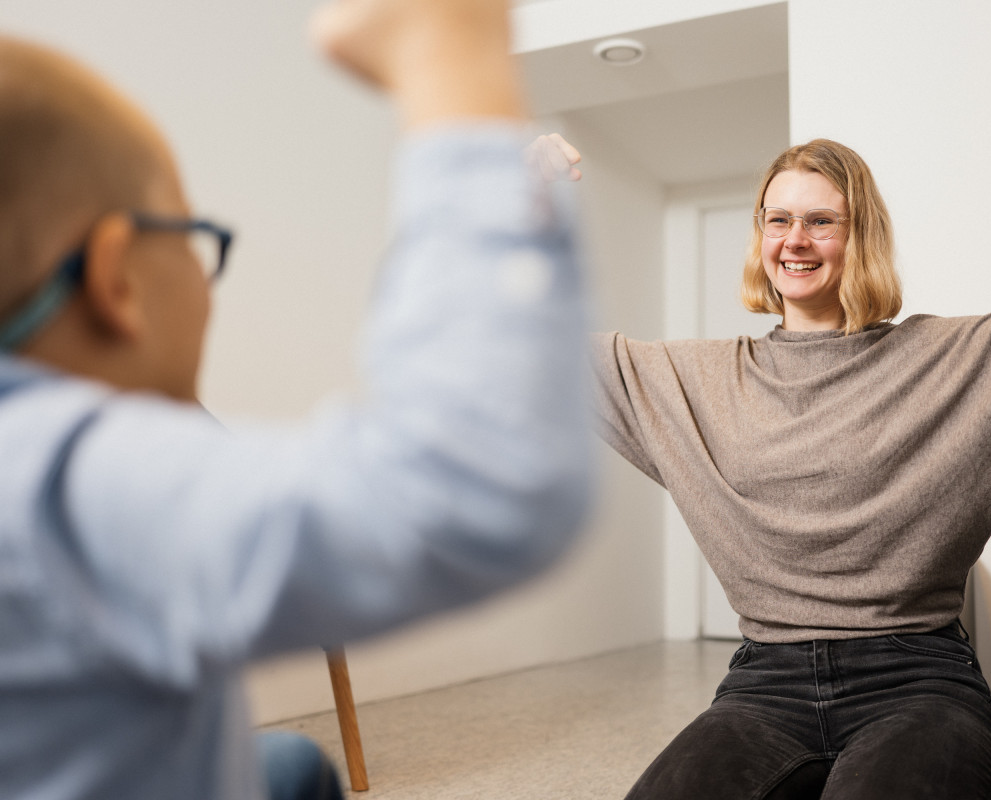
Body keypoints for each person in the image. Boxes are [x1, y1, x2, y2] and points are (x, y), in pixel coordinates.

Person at [0, 1, 591, 798]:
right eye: (195, 238)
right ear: (115, 279)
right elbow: (474, 476)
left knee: (291, 768)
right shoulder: (61, 483)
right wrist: (455, 58)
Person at [585, 47, 991, 799]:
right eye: (778, 220)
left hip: (919, 683)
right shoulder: (692, 379)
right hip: (761, 687)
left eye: (819, 221)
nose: (794, 240)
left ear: (860, 233)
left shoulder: (958, 359)